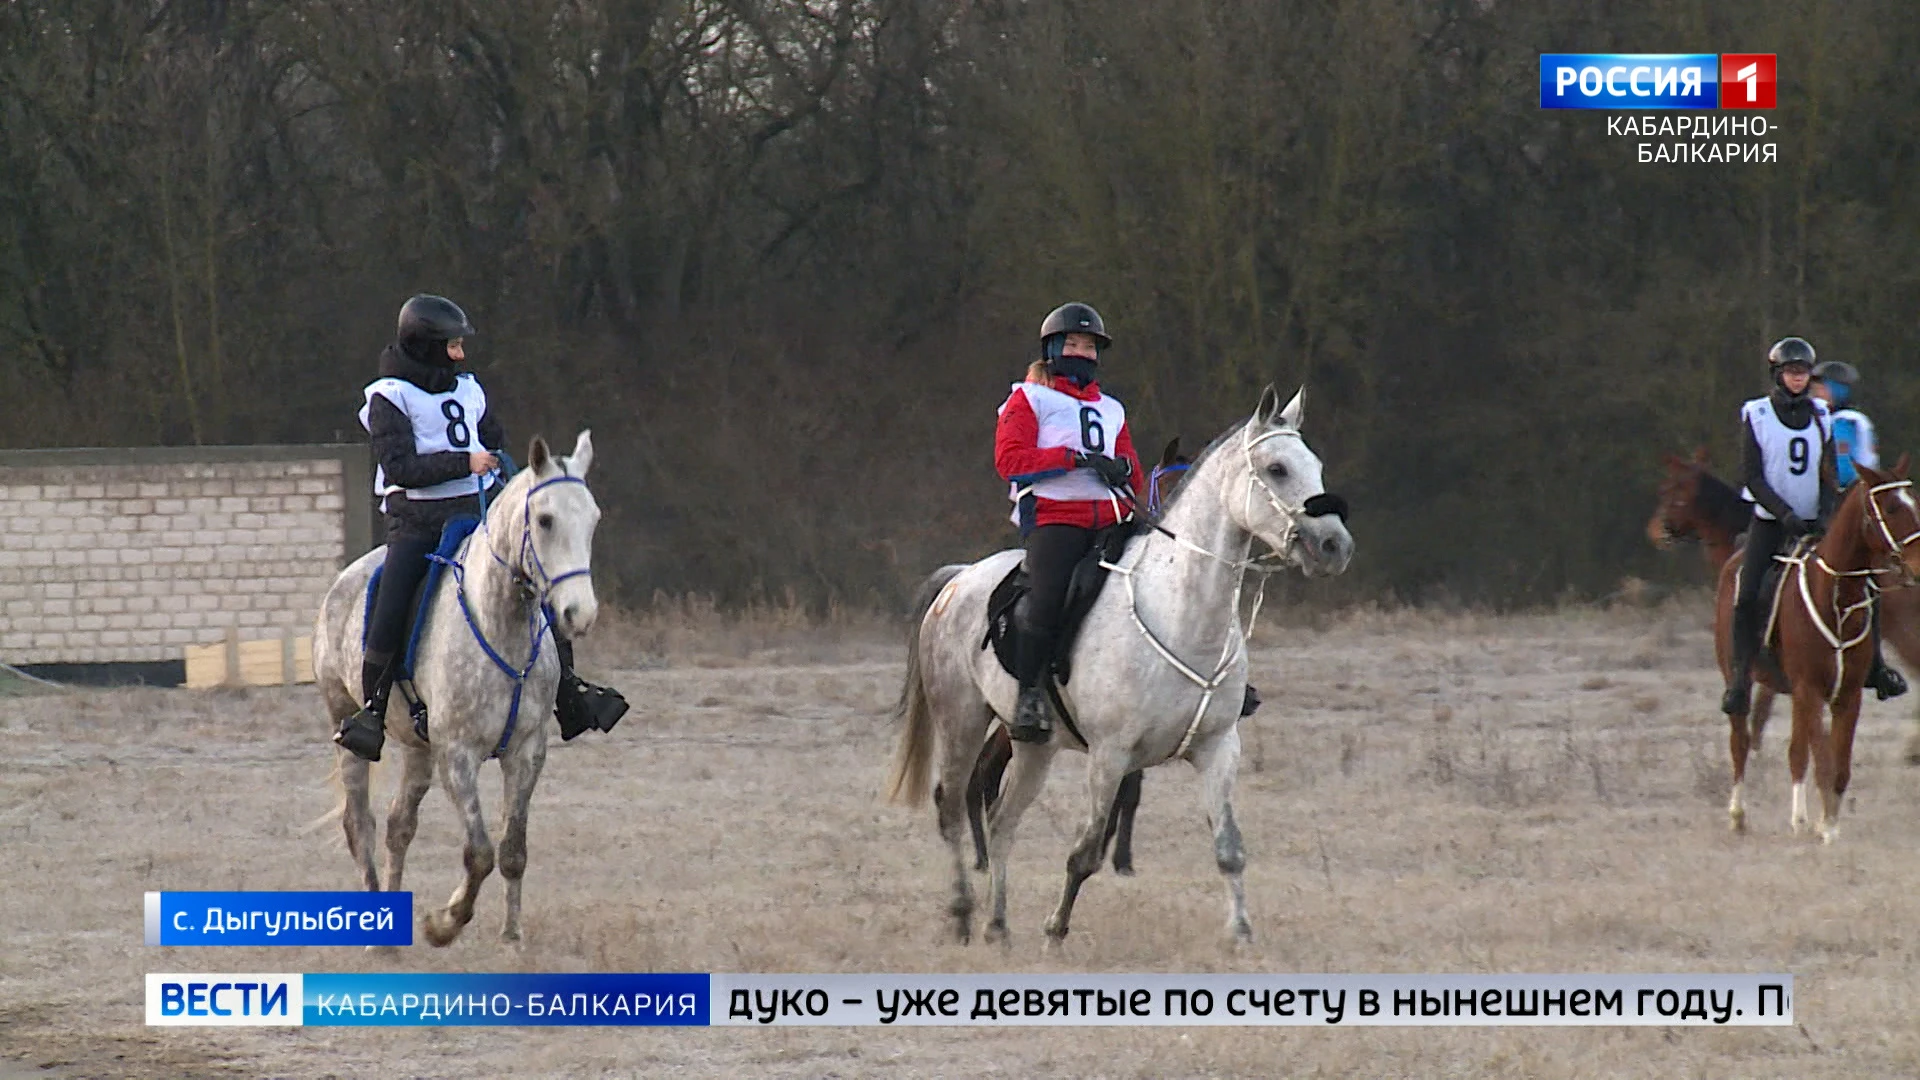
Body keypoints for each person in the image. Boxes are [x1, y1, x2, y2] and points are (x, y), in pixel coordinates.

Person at [333, 294, 629, 761]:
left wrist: (501, 471)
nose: (460, 355)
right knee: (391, 597)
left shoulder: (469, 389)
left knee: (535, 584)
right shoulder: (388, 397)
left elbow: (494, 439)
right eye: (452, 346)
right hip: (416, 520)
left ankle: (567, 691)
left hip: (474, 512)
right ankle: (372, 709)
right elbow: (400, 465)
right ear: (427, 346)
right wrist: (462, 461)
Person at [1723, 336, 1904, 716]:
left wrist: (1825, 514)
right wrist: (1784, 513)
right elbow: (1752, 476)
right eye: (1791, 371)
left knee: (1865, 581)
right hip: (1772, 520)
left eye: (1803, 372)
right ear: (1778, 374)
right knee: (1748, 590)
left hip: (1815, 520)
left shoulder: (1822, 415)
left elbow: (1825, 472)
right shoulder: (1756, 414)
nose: (1797, 378)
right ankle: (1740, 680)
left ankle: (1877, 669)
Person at [993, 302, 1145, 743]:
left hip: (1112, 517)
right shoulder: (1029, 398)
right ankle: (1029, 696)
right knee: (1047, 596)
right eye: (1074, 344)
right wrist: (1072, 459)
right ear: (1054, 348)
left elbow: (1132, 466)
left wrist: (1122, 470)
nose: (1083, 353)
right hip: (1055, 517)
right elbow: (1010, 460)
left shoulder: (1113, 409)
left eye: (1090, 347)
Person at [1811, 358, 1908, 701]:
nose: (1815, 392)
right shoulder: (1817, 419)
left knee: (1868, 582)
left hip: (1850, 509)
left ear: (1837, 390)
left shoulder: (1851, 422)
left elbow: (1858, 469)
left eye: (1820, 386)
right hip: (1820, 506)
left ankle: (1875, 665)